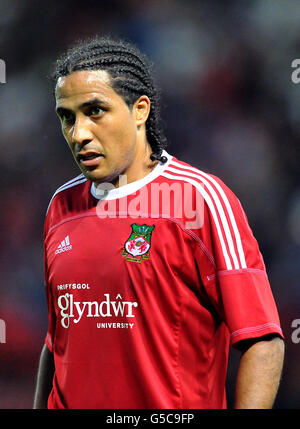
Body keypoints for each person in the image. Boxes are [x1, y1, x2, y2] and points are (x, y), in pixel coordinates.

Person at [33, 36, 284, 409]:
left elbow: (262, 341)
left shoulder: (199, 200)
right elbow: (57, 345)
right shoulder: (60, 207)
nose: (79, 133)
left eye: (95, 110)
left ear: (140, 110)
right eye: (67, 117)